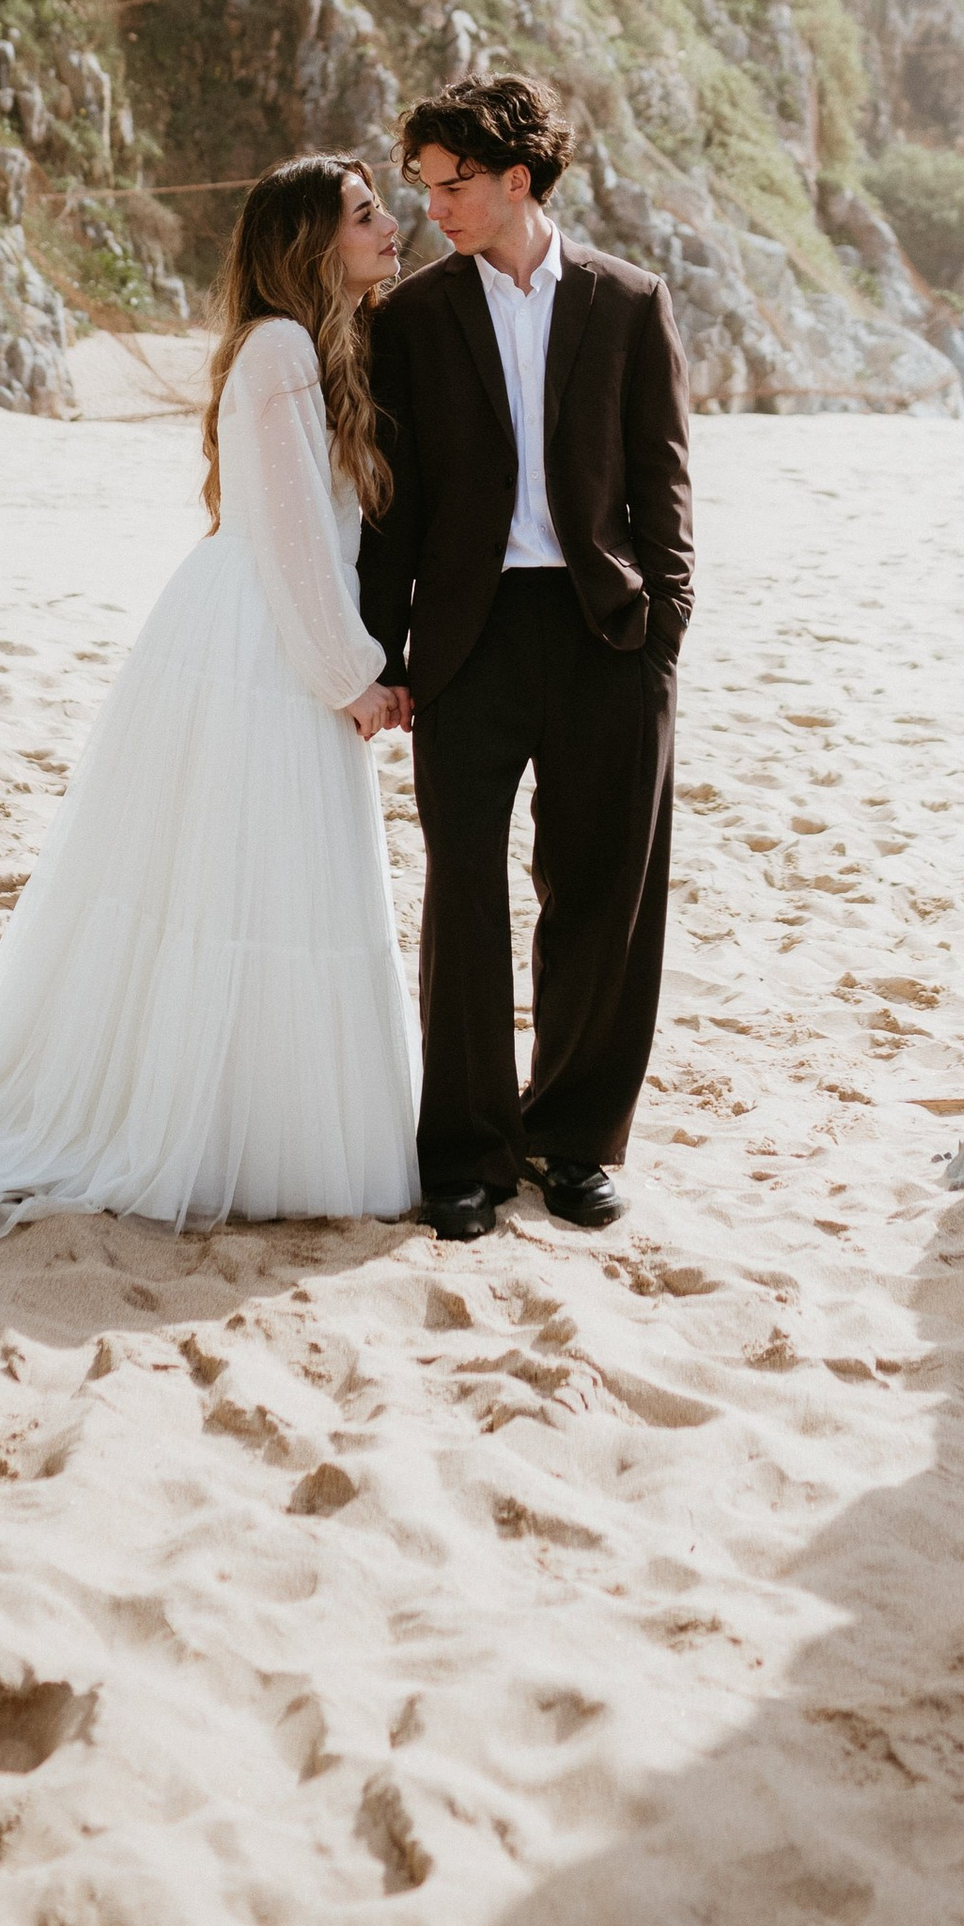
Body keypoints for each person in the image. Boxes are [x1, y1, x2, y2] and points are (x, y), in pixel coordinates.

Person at [0, 156, 419, 1228]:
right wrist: (353, 677)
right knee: (253, 882)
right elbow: (297, 541)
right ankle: (229, 1131)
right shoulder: (285, 347)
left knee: (248, 885)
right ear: (308, 243)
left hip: (256, 627)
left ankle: (239, 1119)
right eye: (364, 211)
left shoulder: (313, 346)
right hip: (267, 641)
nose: (391, 222)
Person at [359, 73, 693, 1241]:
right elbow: (390, 507)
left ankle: (573, 1143)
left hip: (608, 634)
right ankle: (464, 1153)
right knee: (463, 896)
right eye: (423, 186)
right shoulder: (407, 317)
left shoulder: (628, 300)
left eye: (452, 184)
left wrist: (663, 641)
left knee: (602, 898)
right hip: (466, 640)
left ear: (517, 178)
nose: (433, 207)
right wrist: (383, 649)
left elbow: (664, 486)